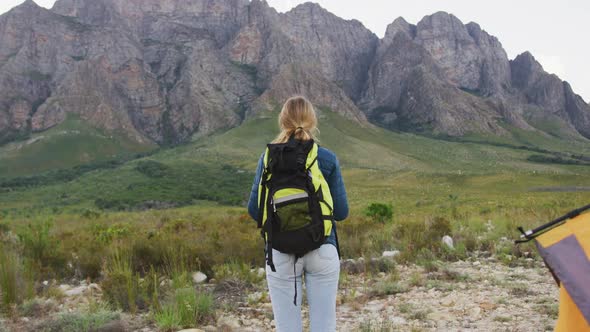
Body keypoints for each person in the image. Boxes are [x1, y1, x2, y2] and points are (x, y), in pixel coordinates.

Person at [247, 96, 349, 332]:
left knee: (287, 327)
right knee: (324, 326)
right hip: (322, 247)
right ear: (312, 121)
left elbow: (254, 210)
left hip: (280, 252)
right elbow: (342, 212)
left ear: (282, 122)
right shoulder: (326, 158)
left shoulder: (267, 158)